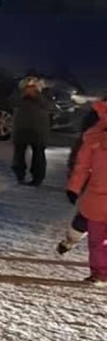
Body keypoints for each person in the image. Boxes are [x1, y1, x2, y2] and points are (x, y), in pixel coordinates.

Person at [57, 99, 106, 254]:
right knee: (87, 216)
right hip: (94, 179)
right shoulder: (95, 119)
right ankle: (71, 240)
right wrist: (74, 186)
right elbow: (81, 159)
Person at [66, 99, 107, 285]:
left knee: (97, 240)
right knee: (96, 240)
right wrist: (74, 187)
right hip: (97, 199)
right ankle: (99, 273)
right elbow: (82, 166)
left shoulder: (94, 137)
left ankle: (100, 272)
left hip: (96, 199)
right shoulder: (94, 137)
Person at [11, 76, 53, 186]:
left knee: (38, 155)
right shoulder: (18, 92)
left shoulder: (45, 93)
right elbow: (11, 102)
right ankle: (19, 175)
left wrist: (36, 95)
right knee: (19, 155)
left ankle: (37, 178)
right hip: (21, 128)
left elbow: (50, 106)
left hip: (38, 129)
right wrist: (23, 94)